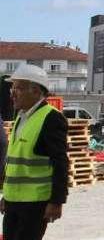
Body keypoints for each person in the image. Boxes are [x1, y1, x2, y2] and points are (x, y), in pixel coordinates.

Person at [2, 64, 69, 239]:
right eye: (12, 87)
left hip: (35, 203)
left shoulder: (51, 118)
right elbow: (15, 161)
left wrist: (56, 201)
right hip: (13, 201)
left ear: (36, 91)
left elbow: (60, 162)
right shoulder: (21, 116)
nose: (13, 93)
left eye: (18, 88)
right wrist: (6, 196)